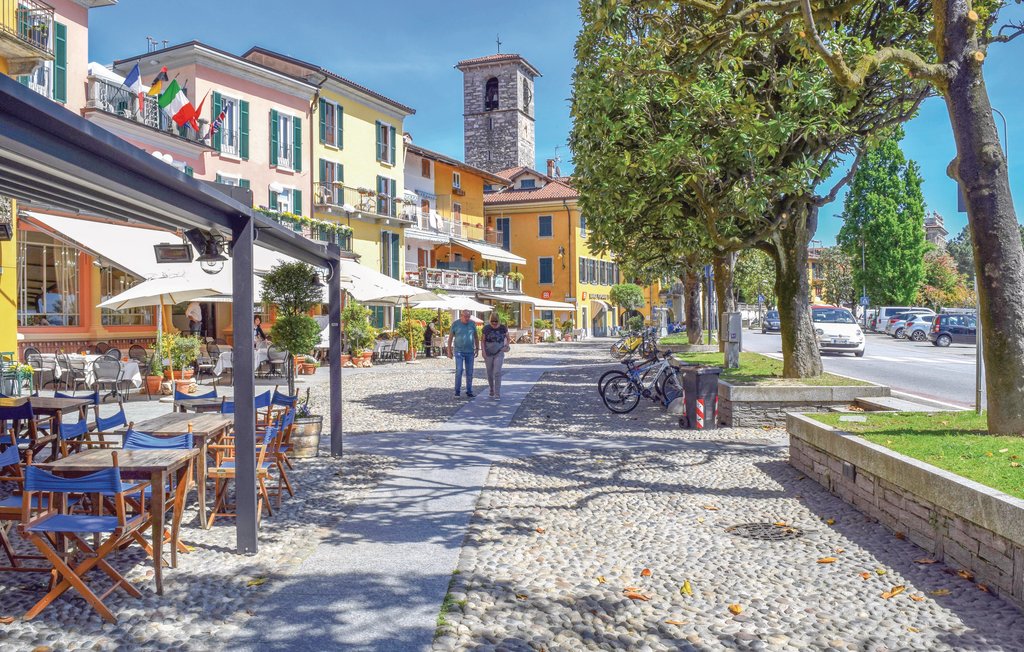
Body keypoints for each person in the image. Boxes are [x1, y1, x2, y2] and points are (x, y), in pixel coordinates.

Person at [447, 310, 479, 398]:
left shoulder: (472, 324)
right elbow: (450, 338)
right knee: (459, 370)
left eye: (468, 317)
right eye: (465, 316)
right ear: (461, 316)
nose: (467, 318)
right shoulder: (455, 324)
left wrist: (477, 348)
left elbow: (476, 337)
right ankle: (457, 391)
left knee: (470, 372)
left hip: (470, 351)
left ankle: (469, 391)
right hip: (459, 351)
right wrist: (449, 350)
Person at [482, 313, 510, 399]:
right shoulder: (486, 328)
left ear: (499, 321)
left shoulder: (503, 328)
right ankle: (491, 389)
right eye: (492, 321)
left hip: (499, 352)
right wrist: (483, 352)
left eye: (496, 321)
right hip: (488, 352)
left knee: (497, 372)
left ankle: (497, 392)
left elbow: (508, 338)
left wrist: (506, 346)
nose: (494, 323)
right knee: (489, 372)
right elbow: (482, 341)